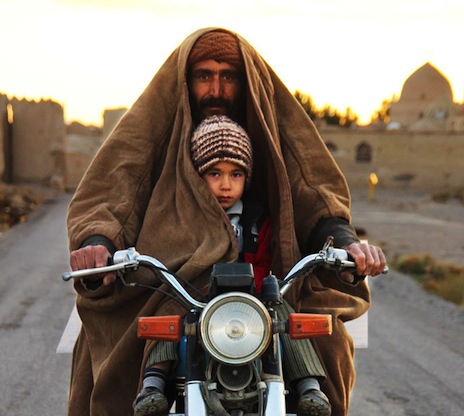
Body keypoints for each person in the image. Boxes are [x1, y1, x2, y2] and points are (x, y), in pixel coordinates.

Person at [67, 28, 386, 416]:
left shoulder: (275, 126)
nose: (216, 88)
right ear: (186, 81)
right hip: (173, 286)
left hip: (269, 289)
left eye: (228, 75)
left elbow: (314, 188)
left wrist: (343, 242)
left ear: (245, 81)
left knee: (330, 344)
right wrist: (98, 243)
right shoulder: (154, 128)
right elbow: (116, 185)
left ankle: (308, 390)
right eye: (204, 75)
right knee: (104, 359)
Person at [133, 115, 331, 416]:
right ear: (197, 177)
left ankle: (309, 386)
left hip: (250, 301)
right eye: (214, 173)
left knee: (283, 318)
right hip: (197, 298)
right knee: (169, 310)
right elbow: (172, 258)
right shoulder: (183, 216)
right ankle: (154, 384)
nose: (226, 184)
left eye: (236, 174)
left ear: (247, 177)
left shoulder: (257, 218)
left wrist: (263, 288)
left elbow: (264, 261)